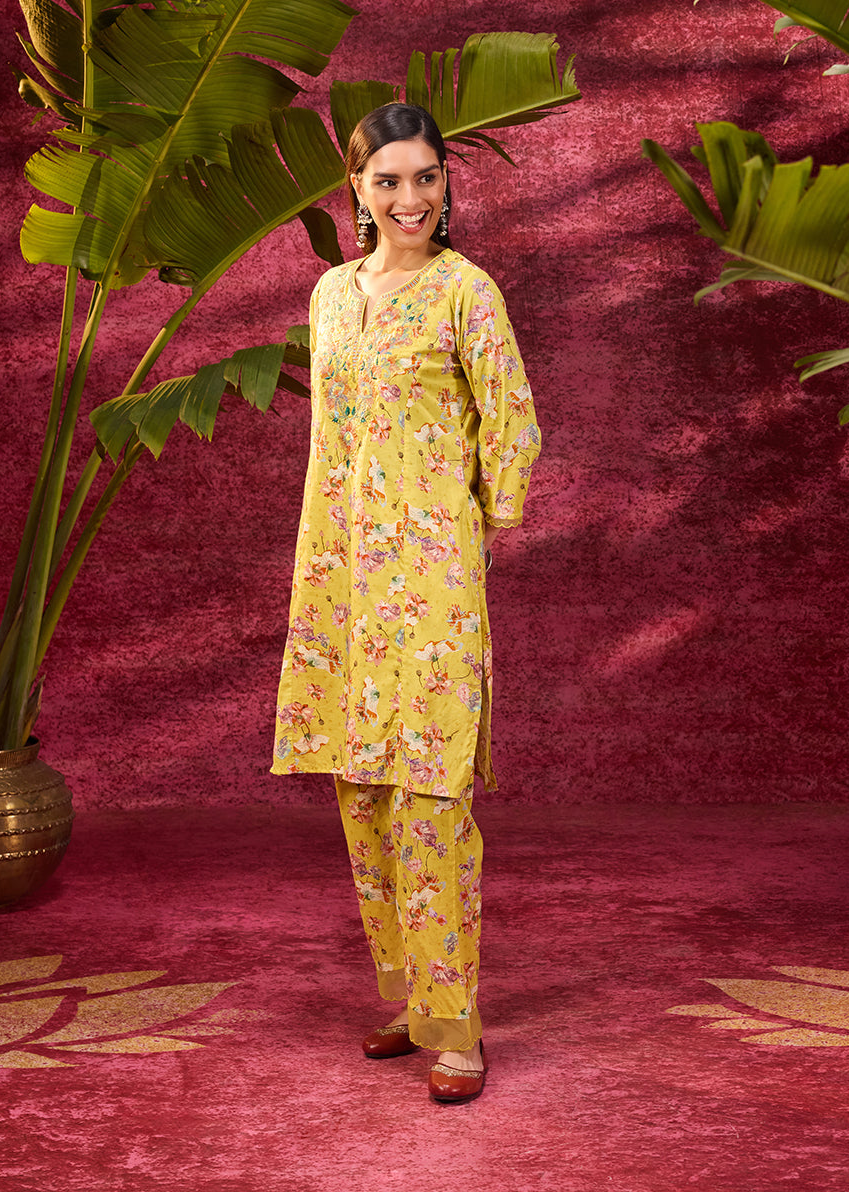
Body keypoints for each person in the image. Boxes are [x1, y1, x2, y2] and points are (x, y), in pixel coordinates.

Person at [272, 102, 540, 1103]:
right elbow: (331, 441)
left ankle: (457, 1023)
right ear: (357, 189)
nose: (410, 197)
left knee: (431, 793)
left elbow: (511, 419)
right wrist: (329, 556)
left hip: (430, 576)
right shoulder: (330, 296)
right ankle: (412, 998)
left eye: (425, 177)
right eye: (388, 180)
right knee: (363, 791)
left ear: (446, 183)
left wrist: (476, 527)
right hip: (342, 571)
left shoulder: (467, 290)